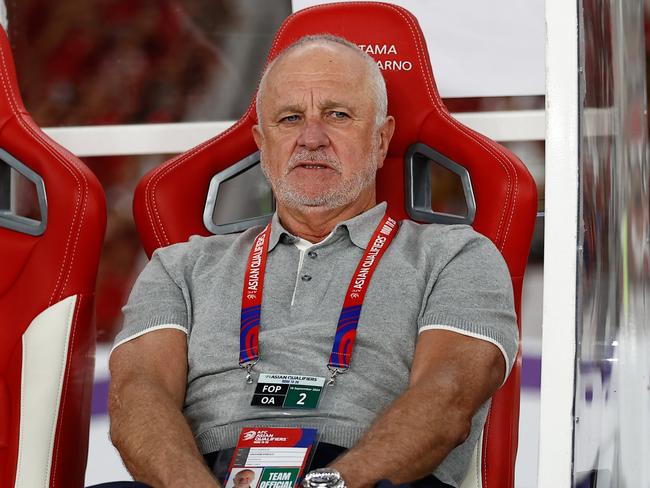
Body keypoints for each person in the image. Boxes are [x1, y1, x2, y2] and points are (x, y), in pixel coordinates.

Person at [107, 34, 517, 488]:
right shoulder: (179, 267)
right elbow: (137, 399)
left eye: (337, 115)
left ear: (382, 140)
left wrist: (331, 484)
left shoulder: (457, 256)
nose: (311, 138)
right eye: (290, 118)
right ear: (262, 144)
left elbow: (447, 398)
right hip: (203, 474)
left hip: (366, 477)